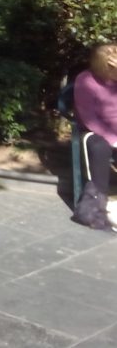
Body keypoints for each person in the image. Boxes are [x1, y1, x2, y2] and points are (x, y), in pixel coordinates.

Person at [73, 44, 117, 230]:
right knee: (101, 148)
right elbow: (89, 118)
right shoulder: (85, 81)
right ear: (104, 67)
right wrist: (113, 138)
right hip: (95, 130)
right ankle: (94, 207)